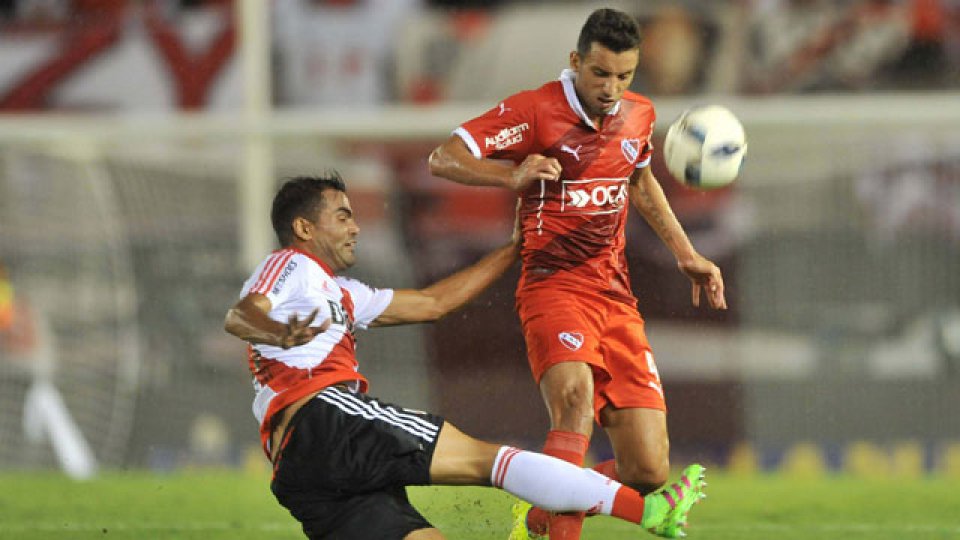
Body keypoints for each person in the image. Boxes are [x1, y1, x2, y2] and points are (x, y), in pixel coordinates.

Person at [223, 174, 706, 540]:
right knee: (486, 461)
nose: (355, 227)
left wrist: (512, 249)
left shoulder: (343, 294)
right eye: (343, 216)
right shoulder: (290, 264)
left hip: (302, 468)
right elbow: (241, 315)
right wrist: (278, 333)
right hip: (329, 419)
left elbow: (434, 302)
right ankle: (649, 512)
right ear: (304, 227)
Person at [428, 8, 725, 540]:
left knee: (647, 469)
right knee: (574, 404)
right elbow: (444, 158)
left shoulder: (639, 114)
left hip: (615, 297)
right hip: (553, 286)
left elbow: (639, 179)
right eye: (600, 73)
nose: (611, 88)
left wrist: (686, 252)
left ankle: (541, 511)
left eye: (623, 76)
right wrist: (509, 174)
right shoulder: (536, 111)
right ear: (576, 61)